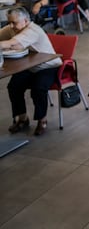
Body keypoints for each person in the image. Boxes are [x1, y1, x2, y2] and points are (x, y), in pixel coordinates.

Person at [0, 7, 62, 136]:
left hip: (48, 65)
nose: (11, 26)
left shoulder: (32, 30)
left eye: (14, 23)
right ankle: (22, 118)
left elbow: (11, 44)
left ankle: (42, 119)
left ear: (26, 20)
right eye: (9, 22)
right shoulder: (13, 27)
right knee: (13, 87)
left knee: (38, 88)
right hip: (30, 65)